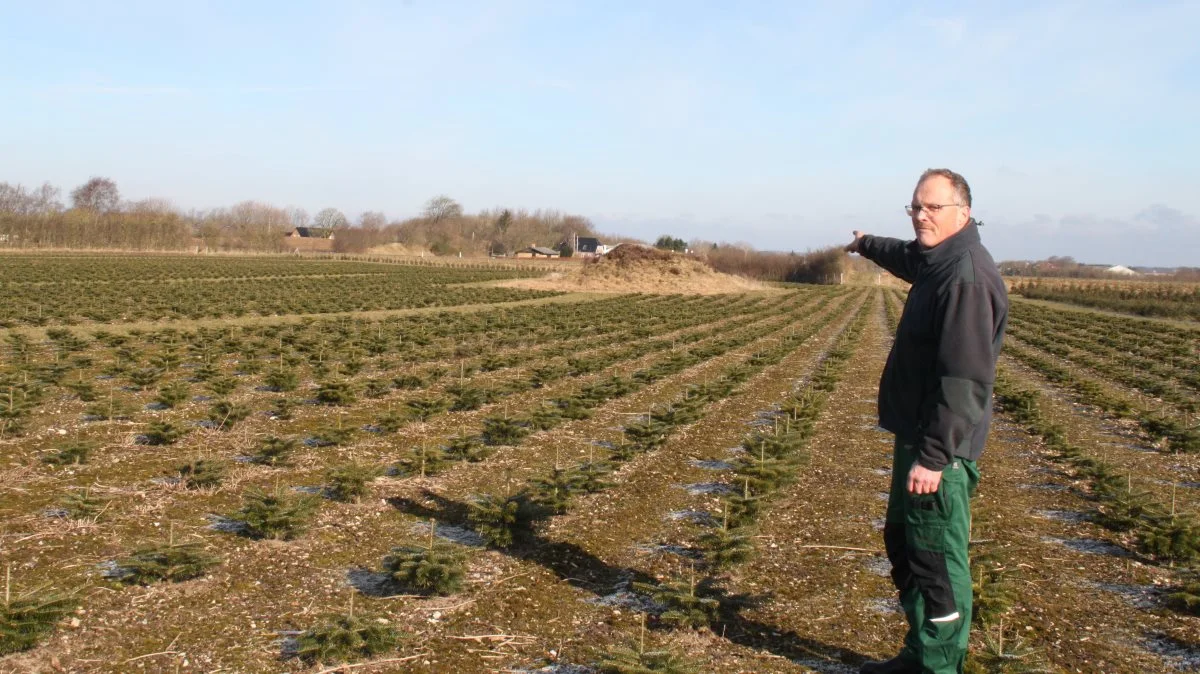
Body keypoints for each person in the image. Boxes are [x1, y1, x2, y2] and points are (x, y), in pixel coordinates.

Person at [845, 168, 1008, 674]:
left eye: (932, 208)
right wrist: (868, 244)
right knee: (908, 542)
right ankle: (920, 654)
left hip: (939, 450)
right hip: (916, 438)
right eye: (915, 207)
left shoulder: (966, 278)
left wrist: (936, 456)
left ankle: (939, 665)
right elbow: (909, 256)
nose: (920, 216)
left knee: (935, 556)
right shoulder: (939, 259)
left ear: (963, 211)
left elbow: (963, 378)